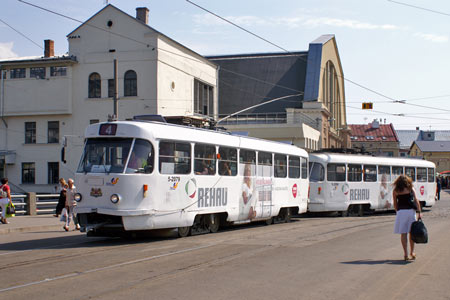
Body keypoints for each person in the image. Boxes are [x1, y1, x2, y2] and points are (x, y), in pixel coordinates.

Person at [392, 175, 422, 261]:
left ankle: (405, 254)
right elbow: (416, 200)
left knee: (403, 233)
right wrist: (419, 212)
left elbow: (395, 203)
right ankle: (412, 252)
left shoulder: (396, 191)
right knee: (411, 233)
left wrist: (397, 211)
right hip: (410, 212)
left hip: (401, 212)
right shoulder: (410, 189)